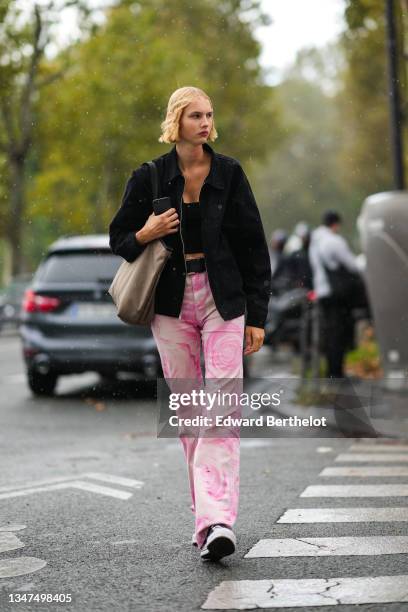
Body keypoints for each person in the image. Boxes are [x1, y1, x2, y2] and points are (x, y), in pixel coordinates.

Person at [108, 86, 271, 561]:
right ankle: (206, 518)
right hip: (172, 303)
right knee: (191, 415)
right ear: (176, 121)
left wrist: (257, 316)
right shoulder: (149, 176)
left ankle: (218, 521)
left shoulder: (230, 173)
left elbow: (252, 246)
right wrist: (147, 231)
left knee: (222, 407)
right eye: (195, 115)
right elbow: (119, 238)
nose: (205, 122)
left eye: (209, 114)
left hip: (224, 300)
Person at [309, 210, 361, 378]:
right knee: (339, 334)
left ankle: (331, 371)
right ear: (335, 224)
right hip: (336, 294)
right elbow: (352, 264)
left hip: (322, 293)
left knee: (329, 333)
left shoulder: (315, 242)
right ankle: (337, 372)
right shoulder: (334, 241)